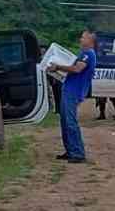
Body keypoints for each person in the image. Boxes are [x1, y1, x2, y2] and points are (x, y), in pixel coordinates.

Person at [48, 30, 97, 164]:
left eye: (83, 37)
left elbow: (77, 69)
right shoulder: (83, 54)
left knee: (70, 122)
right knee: (65, 122)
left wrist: (57, 66)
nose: (80, 40)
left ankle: (78, 153)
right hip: (69, 89)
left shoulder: (88, 54)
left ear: (90, 40)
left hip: (73, 92)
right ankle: (70, 150)